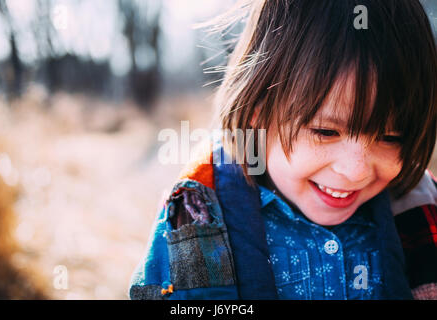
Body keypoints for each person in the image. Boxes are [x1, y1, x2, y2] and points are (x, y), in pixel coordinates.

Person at [129, 0, 437, 299]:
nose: (356, 170)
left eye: (391, 138)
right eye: (326, 131)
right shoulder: (197, 214)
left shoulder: (420, 208)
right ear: (258, 113)